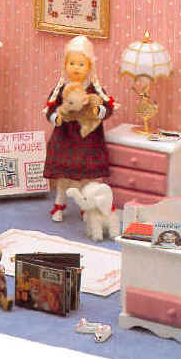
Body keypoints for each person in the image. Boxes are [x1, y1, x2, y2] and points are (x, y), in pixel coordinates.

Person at [43, 36, 116, 222]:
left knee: (86, 178)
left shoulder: (94, 91)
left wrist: (98, 111)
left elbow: (107, 107)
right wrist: (56, 118)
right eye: (72, 63)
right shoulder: (62, 90)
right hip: (65, 137)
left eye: (81, 64)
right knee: (63, 177)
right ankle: (59, 204)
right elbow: (50, 108)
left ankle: (86, 206)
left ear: (89, 67)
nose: (76, 68)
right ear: (65, 65)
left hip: (88, 139)